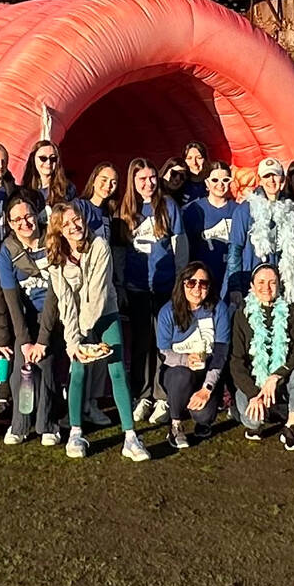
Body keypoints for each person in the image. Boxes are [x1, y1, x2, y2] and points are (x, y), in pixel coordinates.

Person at [47, 202, 148, 461]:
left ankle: (130, 437)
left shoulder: (100, 245)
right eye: (67, 224)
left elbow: (99, 293)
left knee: (116, 369)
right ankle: (76, 433)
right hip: (77, 325)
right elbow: (65, 302)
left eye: (77, 220)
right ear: (58, 231)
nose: (74, 226)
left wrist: (87, 335)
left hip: (105, 315)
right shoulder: (56, 259)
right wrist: (74, 342)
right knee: (78, 370)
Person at [117, 158, 187, 425]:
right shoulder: (125, 210)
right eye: (142, 179)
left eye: (152, 178)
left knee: (162, 342)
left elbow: (180, 245)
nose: (148, 184)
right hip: (136, 287)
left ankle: (161, 396)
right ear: (133, 182)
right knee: (140, 343)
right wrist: (120, 283)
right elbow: (120, 252)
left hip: (165, 286)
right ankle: (142, 394)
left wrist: (180, 280)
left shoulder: (168, 205)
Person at [0, 192, 62, 446]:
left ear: (37, 215)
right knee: (20, 369)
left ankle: (48, 424)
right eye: (17, 220)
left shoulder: (53, 241)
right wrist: (24, 340)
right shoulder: (6, 253)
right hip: (25, 318)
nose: (25, 223)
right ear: (10, 224)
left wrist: (43, 339)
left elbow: (55, 295)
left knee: (45, 364)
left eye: (28, 216)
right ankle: (20, 423)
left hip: (54, 316)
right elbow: (11, 300)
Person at [227, 264, 294, 447]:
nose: (266, 287)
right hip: (254, 384)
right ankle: (246, 415)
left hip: (282, 382)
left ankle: (290, 426)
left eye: (272, 282)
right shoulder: (242, 315)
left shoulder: (290, 311)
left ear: (279, 285)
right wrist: (254, 394)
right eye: (261, 282)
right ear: (251, 286)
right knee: (253, 420)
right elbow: (236, 361)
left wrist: (277, 376)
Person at [156, 262, 229, 448]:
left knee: (204, 415)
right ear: (182, 283)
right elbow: (163, 352)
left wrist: (207, 388)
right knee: (181, 374)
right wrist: (186, 359)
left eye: (203, 283)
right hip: (176, 372)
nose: (197, 288)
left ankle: (200, 418)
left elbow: (221, 353)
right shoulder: (167, 311)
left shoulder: (219, 309)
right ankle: (175, 424)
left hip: (207, 373)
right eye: (191, 282)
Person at [228, 158, 294, 308]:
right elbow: (235, 250)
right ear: (259, 180)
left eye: (275, 175)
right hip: (251, 283)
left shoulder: (290, 209)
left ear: (283, 179)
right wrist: (235, 287)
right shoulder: (245, 210)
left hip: (281, 285)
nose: (271, 180)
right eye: (266, 176)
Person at [183, 161, 240, 297]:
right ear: (207, 183)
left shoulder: (239, 210)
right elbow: (185, 248)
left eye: (225, 180)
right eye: (215, 180)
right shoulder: (194, 209)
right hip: (201, 281)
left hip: (230, 277)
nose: (220, 184)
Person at [79, 162, 119, 238]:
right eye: (104, 180)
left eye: (113, 182)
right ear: (93, 180)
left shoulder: (109, 214)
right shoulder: (80, 206)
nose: (108, 185)